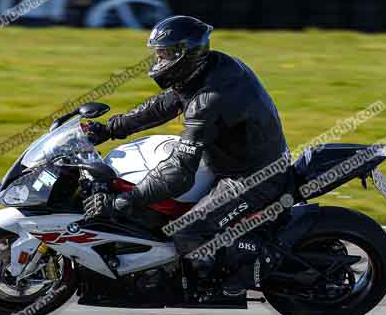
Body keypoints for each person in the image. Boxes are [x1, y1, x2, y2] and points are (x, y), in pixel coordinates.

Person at [82, 15, 291, 299]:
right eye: (158, 53)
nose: (159, 60)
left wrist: (122, 202)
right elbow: (161, 106)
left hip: (252, 176)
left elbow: (180, 172)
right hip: (228, 158)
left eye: (166, 54)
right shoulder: (206, 69)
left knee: (187, 230)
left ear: (186, 54)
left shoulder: (210, 99)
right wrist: (109, 129)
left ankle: (219, 282)